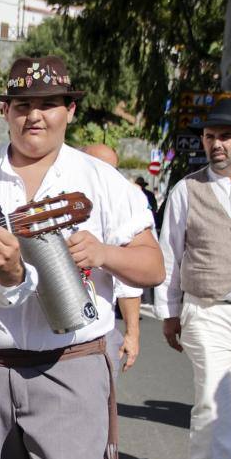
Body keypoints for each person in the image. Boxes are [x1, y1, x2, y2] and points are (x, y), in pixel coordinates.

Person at [0, 56, 164, 459]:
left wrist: (106, 253)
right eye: (21, 105)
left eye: (48, 104)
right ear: (5, 112)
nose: (34, 115)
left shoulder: (101, 179)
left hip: (70, 367)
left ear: (70, 111)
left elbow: (154, 266)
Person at [156, 97, 231, 459]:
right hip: (207, 309)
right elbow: (169, 254)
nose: (216, 143)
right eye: (210, 136)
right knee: (211, 398)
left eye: (226, 135)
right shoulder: (186, 191)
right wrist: (169, 313)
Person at [81, 143, 146, 373]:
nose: (106, 175)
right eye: (99, 167)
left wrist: (132, 332)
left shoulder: (124, 199)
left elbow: (129, 280)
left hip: (99, 332)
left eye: (112, 169)